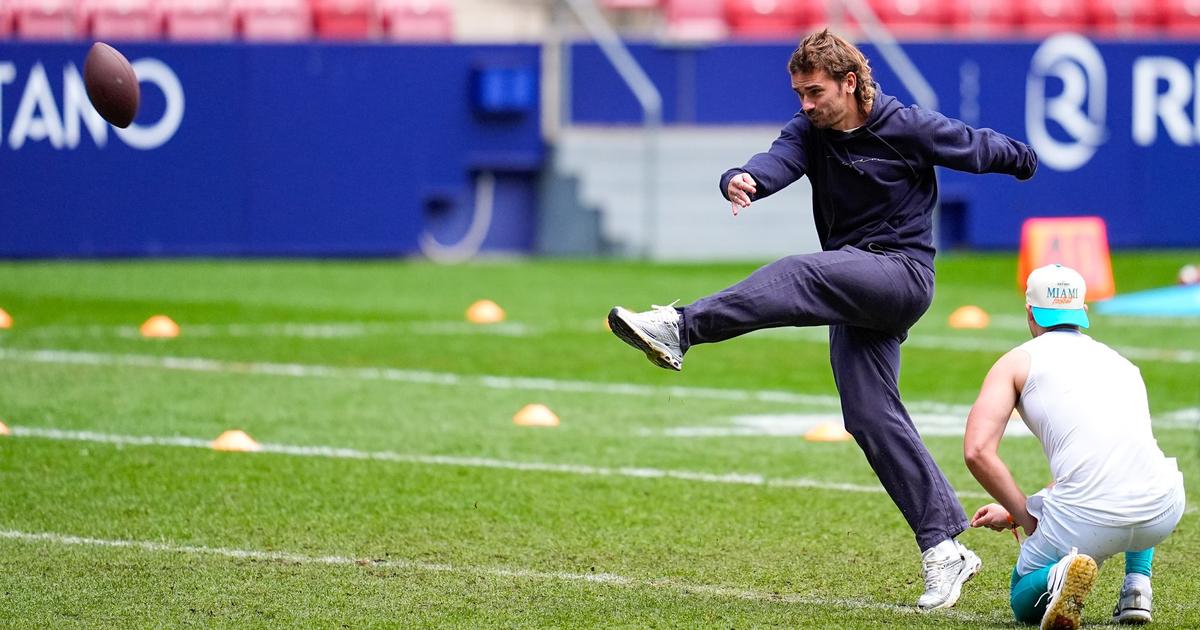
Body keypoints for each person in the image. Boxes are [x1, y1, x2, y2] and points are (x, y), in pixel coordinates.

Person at [606, 28, 1038, 610]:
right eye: (799, 94)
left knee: (804, 272)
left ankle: (680, 327)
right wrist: (745, 180)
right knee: (868, 416)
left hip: (900, 274)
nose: (805, 104)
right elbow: (776, 160)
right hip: (853, 284)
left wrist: (1024, 160)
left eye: (814, 92)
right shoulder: (808, 132)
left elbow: (976, 146)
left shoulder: (905, 125)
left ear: (851, 82)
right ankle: (944, 548)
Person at [965, 264, 1185, 629]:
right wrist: (1031, 505)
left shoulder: (1016, 361)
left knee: (1021, 593)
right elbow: (1114, 455)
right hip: (1162, 510)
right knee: (1135, 466)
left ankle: (1059, 574)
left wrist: (1023, 514)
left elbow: (977, 451)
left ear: (1030, 312)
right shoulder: (1123, 364)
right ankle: (1137, 586)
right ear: (1082, 311)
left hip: (1085, 521)